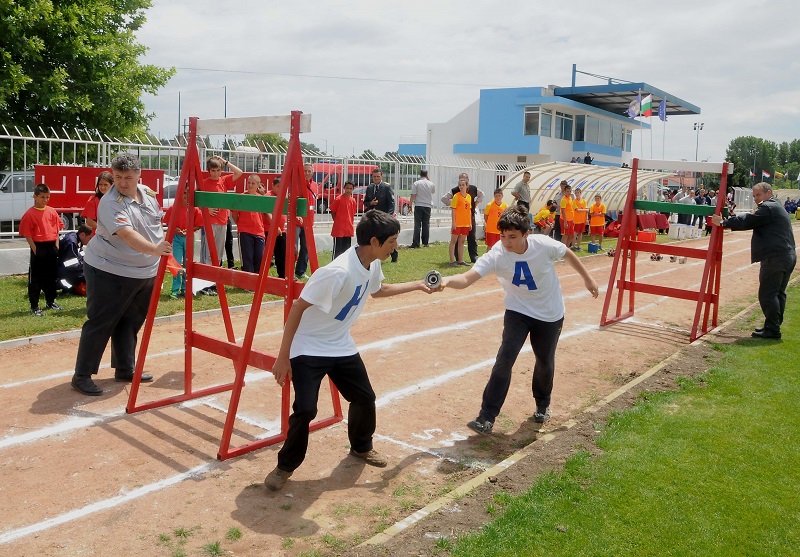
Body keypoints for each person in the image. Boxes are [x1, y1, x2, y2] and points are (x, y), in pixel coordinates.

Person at [263, 209, 436, 491]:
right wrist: (283, 357)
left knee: (365, 398)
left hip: (340, 344)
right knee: (306, 409)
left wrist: (418, 285)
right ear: (374, 242)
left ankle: (361, 447)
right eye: (392, 241)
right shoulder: (335, 272)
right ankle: (285, 466)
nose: (396, 246)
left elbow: (377, 291)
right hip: (309, 347)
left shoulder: (372, 263)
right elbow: (297, 308)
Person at [441, 206, 599, 434]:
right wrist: (445, 281)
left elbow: (567, 253)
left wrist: (588, 279)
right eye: (503, 236)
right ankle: (486, 416)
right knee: (505, 358)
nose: (507, 242)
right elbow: (467, 278)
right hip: (518, 311)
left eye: (513, 237)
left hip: (549, 313)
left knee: (544, 361)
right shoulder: (497, 253)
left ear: (526, 234)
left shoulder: (543, 246)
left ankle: (542, 404)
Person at [71, 153, 173, 396]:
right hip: (109, 270)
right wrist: (155, 249)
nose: (123, 183)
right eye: (118, 177)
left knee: (131, 321)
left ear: (139, 175)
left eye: (128, 177)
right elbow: (128, 235)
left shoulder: (147, 193)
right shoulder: (110, 202)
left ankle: (125, 367)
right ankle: (82, 375)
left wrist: (156, 251)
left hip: (144, 270)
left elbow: (154, 223)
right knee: (102, 321)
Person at [712, 182, 796, 339]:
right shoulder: (776, 206)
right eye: (754, 196)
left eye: (758, 195)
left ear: (768, 193)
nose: (756, 199)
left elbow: (749, 219)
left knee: (768, 294)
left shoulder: (769, 207)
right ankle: (772, 326)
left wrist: (724, 222)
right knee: (778, 293)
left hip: (775, 258)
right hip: (787, 255)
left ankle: (773, 330)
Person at [19, 183, 64, 316]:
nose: (45, 200)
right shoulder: (29, 214)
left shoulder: (51, 211)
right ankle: (34, 305)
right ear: (35, 196)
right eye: (42, 197)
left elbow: (56, 229)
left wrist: (56, 245)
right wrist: (35, 249)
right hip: (39, 247)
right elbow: (27, 234)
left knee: (51, 276)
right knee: (36, 278)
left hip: (51, 246)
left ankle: (51, 300)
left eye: (47, 197)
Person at [199, 155, 243, 267]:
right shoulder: (203, 183)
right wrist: (206, 209)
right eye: (213, 171)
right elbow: (195, 201)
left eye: (218, 170)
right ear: (209, 171)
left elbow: (239, 173)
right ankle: (205, 280)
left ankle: (214, 281)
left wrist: (225, 162)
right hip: (209, 222)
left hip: (223, 222)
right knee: (208, 253)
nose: (216, 173)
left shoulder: (223, 181)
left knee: (218, 254)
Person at [162, 187, 203, 297]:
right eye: (184, 193)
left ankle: (186, 288)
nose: (186, 196)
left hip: (189, 238)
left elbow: (199, 224)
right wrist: (176, 229)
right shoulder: (173, 208)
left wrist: (190, 229)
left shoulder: (194, 209)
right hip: (177, 238)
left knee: (188, 263)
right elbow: (168, 222)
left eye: (188, 193)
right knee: (176, 263)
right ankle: (175, 289)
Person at [441, 173, 484, 263]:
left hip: (468, 218)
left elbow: (481, 195)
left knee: (470, 237)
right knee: (455, 240)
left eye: (464, 181)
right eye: (460, 181)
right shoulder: (455, 193)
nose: (462, 184)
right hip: (458, 220)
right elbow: (445, 199)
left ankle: (472, 257)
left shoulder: (472, 191)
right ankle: (454, 259)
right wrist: (453, 204)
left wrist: (476, 203)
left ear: (467, 181)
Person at [232, 174, 267, 275]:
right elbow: (234, 214)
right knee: (247, 257)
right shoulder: (242, 197)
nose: (250, 185)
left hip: (259, 232)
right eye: (249, 183)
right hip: (245, 231)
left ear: (258, 185)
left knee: (259, 256)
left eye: (253, 183)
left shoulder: (261, 198)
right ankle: (248, 282)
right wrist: (241, 225)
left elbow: (267, 213)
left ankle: (255, 279)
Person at [363, 168, 397, 262]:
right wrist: (371, 203)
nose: (376, 178)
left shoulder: (386, 187)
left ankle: (394, 254)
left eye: (378, 176)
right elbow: (365, 202)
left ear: (381, 176)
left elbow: (392, 203)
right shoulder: (370, 188)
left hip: (384, 217)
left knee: (387, 237)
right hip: (373, 217)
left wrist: (389, 216)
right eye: (374, 177)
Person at [294, 163, 317, 279]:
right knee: (293, 247)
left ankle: (300, 271)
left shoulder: (315, 185)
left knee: (306, 248)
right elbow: (292, 202)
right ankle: (289, 271)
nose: (307, 173)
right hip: (296, 222)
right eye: (305, 171)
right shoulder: (296, 184)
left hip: (309, 222)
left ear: (312, 172)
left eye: (309, 171)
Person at [265, 177, 288, 278]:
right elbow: (267, 212)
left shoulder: (283, 197)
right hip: (269, 230)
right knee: (267, 256)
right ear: (273, 186)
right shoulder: (269, 196)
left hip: (281, 230)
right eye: (278, 186)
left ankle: (282, 275)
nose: (280, 189)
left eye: (282, 187)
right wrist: (275, 226)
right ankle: (263, 275)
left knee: (282, 254)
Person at [448, 177, 472, 267]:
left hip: (465, 223)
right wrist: (454, 222)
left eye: (463, 185)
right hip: (458, 223)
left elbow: (469, 210)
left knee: (462, 242)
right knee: (454, 241)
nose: (461, 187)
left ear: (467, 186)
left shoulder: (469, 197)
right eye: (460, 185)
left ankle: (461, 260)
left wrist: (470, 222)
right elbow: (453, 210)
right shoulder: (456, 196)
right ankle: (451, 260)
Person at [330, 181, 357, 259]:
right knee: (337, 250)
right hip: (339, 229)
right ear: (344, 188)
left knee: (346, 250)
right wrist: (337, 221)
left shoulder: (353, 201)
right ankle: (334, 266)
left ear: (353, 189)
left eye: (351, 188)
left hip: (348, 228)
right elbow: (333, 211)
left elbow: (353, 213)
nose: (348, 190)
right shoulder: (338, 199)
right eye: (347, 188)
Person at [409, 170, 435, 248]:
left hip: (419, 205)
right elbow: (433, 191)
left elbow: (413, 195)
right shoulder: (431, 184)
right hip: (427, 206)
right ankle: (425, 242)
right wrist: (428, 180)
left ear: (420, 175)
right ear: (427, 175)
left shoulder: (416, 183)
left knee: (417, 225)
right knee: (426, 224)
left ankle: (416, 243)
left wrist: (410, 204)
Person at [560, 184, 576, 250]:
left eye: (570, 191)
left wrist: (572, 219)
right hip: (564, 220)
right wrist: (565, 222)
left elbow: (572, 209)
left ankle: (566, 248)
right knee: (565, 235)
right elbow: (563, 211)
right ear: (565, 192)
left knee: (571, 235)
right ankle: (562, 250)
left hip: (570, 219)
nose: (569, 193)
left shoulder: (570, 198)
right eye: (567, 191)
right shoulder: (564, 200)